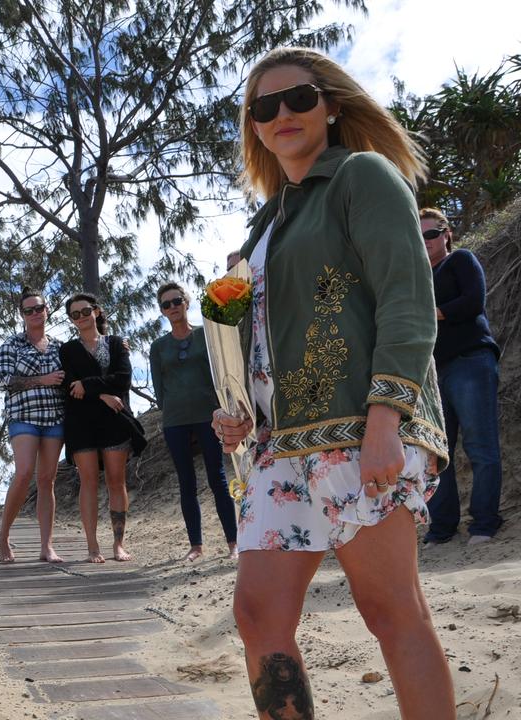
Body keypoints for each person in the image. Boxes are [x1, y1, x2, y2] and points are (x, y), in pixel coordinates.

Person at [213, 47, 454, 718]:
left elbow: (406, 298)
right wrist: (239, 413)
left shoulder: (363, 176)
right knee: (257, 616)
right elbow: (257, 344)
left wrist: (386, 418)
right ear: (254, 125)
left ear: (331, 105)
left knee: (391, 612)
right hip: (278, 449)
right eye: (265, 107)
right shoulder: (263, 226)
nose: (282, 114)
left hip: (358, 429)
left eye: (298, 99)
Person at [419, 207, 503, 545]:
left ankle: (484, 523)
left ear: (445, 234)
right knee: (437, 454)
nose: (425, 240)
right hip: (433, 372)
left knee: (480, 446)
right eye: (419, 234)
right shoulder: (416, 276)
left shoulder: (461, 261)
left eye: (431, 233)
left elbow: (474, 302)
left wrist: (432, 313)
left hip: (470, 361)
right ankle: (442, 528)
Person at [149, 283, 237, 562]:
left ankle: (233, 543)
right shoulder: (158, 346)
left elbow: (221, 372)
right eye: (166, 304)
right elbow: (159, 388)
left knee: (218, 479)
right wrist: (172, 409)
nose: (172, 307)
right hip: (175, 419)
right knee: (186, 482)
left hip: (208, 416)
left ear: (186, 303)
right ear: (162, 311)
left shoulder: (206, 336)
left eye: (176, 301)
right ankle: (196, 546)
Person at [59, 293, 144, 563]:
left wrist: (91, 386)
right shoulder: (68, 350)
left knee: (116, 482)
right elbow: (71, 387)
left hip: (114, 421)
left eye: (85, 311)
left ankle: (118, 544)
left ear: (96, 312)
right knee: (88, 483)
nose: (82, 317)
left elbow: (123, 379)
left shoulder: (117, 343)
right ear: (71, 320)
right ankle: (92, 546)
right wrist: (103, 394)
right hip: (81, 423)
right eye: (75, 314)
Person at [0, 288, 66, 563]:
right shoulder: (12, 345)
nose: (35, 313)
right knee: (24, 473)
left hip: (55, 418)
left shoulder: (60, 346)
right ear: (22, 315)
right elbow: (3, 380)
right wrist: (41, 380)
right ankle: (3, 537)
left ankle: (46, 546)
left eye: (39, 308)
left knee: (47, 480)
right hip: (23, 416)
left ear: (46, 310)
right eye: (29, 310)